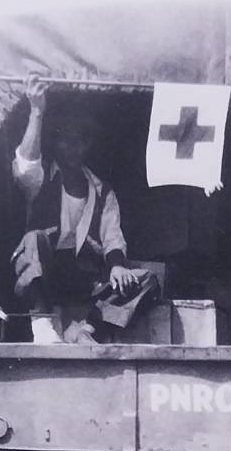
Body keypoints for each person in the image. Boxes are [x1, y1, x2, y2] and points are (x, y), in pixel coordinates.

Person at [11, 75, 146, 344]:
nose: (73, 148)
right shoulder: (42, 178)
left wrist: (118, 266)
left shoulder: (102, 189)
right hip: (45, 275)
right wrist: (37, 111)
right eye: (66, 140)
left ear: (89, 145)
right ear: (56, 142)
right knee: (33, 239)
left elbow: (113, 237)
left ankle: (87, 329)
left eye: (80, 141)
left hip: (83, 278)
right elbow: (25, 165)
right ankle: (43, 322)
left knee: (146, 280)